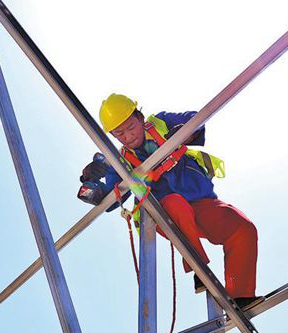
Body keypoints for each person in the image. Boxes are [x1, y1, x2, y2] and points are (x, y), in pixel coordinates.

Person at [79, 93, 261, 308]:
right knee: (175, 203)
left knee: (241, 227)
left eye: (130, 127)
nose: (127, 136)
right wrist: (93, 186)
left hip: (199, 201)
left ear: (140, 117)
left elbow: (196, 119)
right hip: (166, 214)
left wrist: (183, 132)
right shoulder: (121, 162)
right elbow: (109, 197)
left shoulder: (161, 123)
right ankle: (199, 269)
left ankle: (240, 296)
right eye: (119, 133)